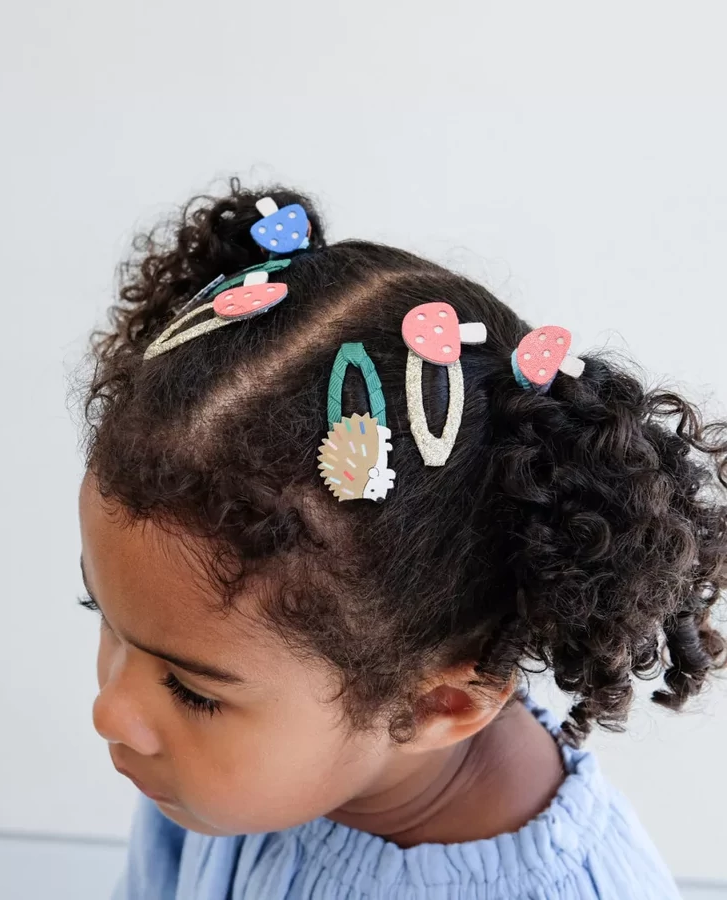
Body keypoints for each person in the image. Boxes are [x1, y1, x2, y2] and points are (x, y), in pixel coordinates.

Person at [76, 180, 726, 899]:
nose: (111, 710)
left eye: (193, 693)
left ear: (436, 706)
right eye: (102, 614)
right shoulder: (208, 778)